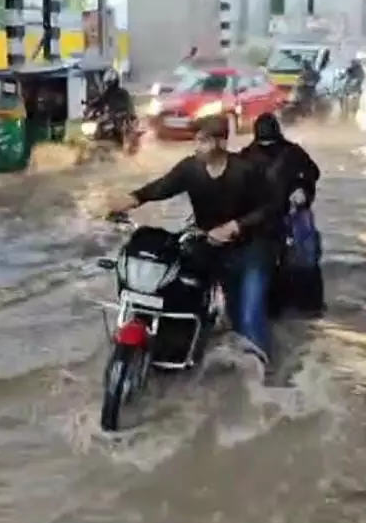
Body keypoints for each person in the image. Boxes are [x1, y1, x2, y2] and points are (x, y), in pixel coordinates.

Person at [106, 121, 281, 365]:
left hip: (249, 248)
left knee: (248, 316)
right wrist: (133, 198)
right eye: (196, 140)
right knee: (180, 285)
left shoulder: (246, 170)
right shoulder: (191, 168)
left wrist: (235, 226)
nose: (197, 147)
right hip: (207, 242)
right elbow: (162, 187)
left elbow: (271, 207)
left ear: (221, 142)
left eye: (204, 141)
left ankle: (259, 376)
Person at [240, 113, 324, 317]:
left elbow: (311, 173)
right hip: (278, 219)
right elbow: (313, 172)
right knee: (300, 264)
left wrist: (301, 188)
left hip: (271, 220)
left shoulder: (246, 155)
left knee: (275, 265)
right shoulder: (292, 152)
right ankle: (304, 308)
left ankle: (276, 308)